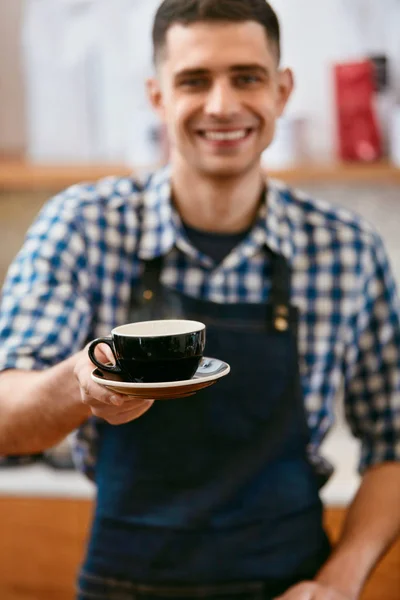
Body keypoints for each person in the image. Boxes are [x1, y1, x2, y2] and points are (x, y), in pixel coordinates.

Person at [0, 1, 399, 598]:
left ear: (282, 91)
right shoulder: (82, 226)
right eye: (193, 80)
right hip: (123, 583)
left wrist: (340, 582)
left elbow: (393, 441)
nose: (221, 105)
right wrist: (78, 384)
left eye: (247, 77)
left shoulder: (347, 251)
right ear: (157, 95)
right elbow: (5, 416)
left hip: (291, 583)